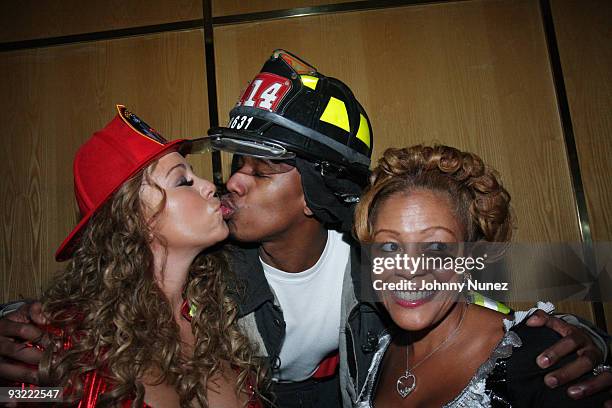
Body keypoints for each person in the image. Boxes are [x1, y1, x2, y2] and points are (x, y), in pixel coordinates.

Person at [0, 51, 610, 407]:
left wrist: (584, 335)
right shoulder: (214, 264)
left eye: (260, 171)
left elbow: (559, 273)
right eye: (234, 165)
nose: (230, 184)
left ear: (317, 194)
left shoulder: (380, 251)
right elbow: (109, 305)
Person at [23, 105, 265, 407]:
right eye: (183, 181)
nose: (208, 186)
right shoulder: (66, 339)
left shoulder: (214, 318)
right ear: (134, 218)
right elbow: (18, 394)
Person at [352, 144, 610, 407]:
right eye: (389, 246)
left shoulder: (538, 358)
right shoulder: (371, 348)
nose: (409, 269)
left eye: (437, 247)